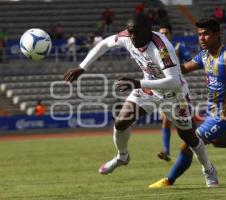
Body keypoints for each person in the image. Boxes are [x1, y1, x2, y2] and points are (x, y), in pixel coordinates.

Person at [63, 15, 218, 188]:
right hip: (149, 88)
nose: (132, 36)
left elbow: (173, 82)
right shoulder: (128, 37)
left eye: (136, 33)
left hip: (174, 94)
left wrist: (137, 83)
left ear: (147, 32)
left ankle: (208, 169)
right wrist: (82, 67)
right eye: (130, 32)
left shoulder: (161, 48)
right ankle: (122, 156)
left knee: (189, 137)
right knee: (121, 121)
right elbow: (104, 44)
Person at [149, 18, 226, 188]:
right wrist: (162, 66)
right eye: (199, 35)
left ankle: (169, 180)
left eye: (205, 34)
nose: (201, 38)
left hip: (224, 115)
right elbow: (184, 69)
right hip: (212, 113)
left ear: (216, 35)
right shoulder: (204, 56)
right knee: (221, 141)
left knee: (190, 143)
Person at [157, 24, 193, 162]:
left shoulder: (178, 47)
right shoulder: (156, 50)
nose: (163, 36)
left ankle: (194, 143)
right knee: (166, 121)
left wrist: (177, 71)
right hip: (164, 90)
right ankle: (166, 150)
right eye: (161, 33)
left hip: (178, 89)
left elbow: (190, 62)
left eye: (166, 33)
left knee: (184, 121)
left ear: (171, 34)